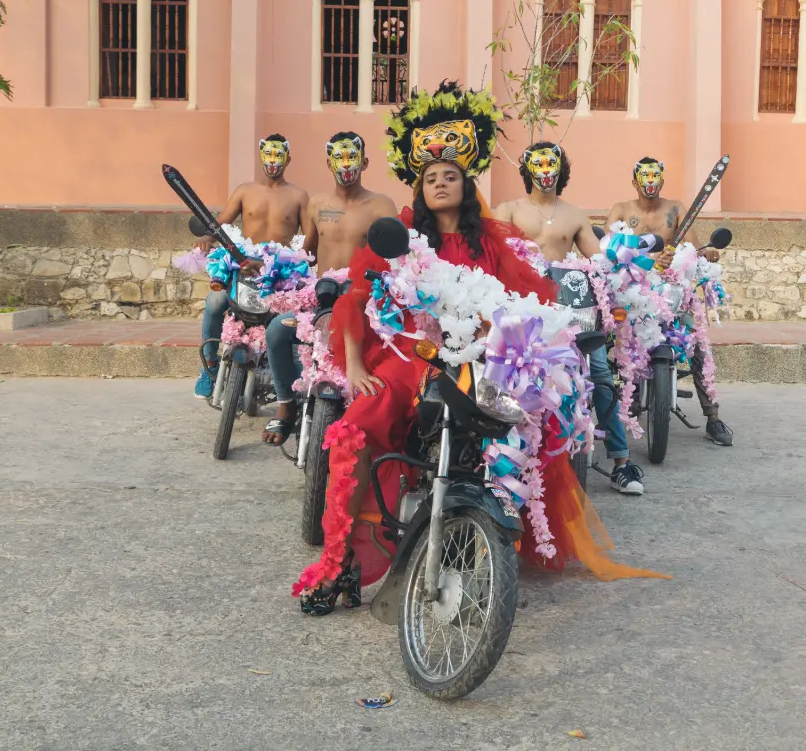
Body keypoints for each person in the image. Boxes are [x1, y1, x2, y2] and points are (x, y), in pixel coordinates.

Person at [294, 82, 667, 616]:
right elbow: (358, 297)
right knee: (353, 432)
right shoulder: (397, 234)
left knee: (517, 425)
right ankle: (341, 566)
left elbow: (527, 300)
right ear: (418, 189)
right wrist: (355, 366)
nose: (440, 183)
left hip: (474, 365)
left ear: (467, 186)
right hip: (409, 360)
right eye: (430, 178)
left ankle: (482, 532)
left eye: (451, 176)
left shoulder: (493, 243)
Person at [496, 142, 646, 495]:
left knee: (600, 375)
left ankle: (622, 462)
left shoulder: (576, 215)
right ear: (528, 168)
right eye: (539, 162)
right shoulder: (509, 210)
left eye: (553, 163)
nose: (546, 169)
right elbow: (495, 255)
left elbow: (598, 260)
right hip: (523, 313)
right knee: (509, 384)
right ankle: (505, 462)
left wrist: (623, 262)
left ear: (561, 169)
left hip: (571, 311)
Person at [261, 132, 396, 446]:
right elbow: (307, 251)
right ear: (328, 162)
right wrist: (270, 267)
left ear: (364, 161)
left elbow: (394, 257)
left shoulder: (381, 205)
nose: (345, 164)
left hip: (363, 303)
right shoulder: (318, 204)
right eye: (339, 157)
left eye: (352, 157)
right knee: (278, 331)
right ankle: (286, 406)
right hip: (320, 299)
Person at [606, 157, 734, 447]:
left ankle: (712, 417)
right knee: (606, 345)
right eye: (644, 176)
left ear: (662, 180)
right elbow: (610, 249)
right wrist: (647, 259)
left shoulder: (675, 209)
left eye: (655, 177)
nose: (650, 182)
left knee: (698, 343)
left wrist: (707, 251)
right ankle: (605, 410)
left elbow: (691, 245)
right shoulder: (621, 210)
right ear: (635, 181)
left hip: (670, 292)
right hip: (632, 293)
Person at [194, 134, 310, 399]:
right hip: (242, 270)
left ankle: (295, 385)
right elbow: (221, 222)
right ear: (261, 157)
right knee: (214, 302)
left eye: (278, 155)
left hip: (279, 277)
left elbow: (310, 238)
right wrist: (206, 238)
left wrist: (303, 263)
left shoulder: (299, 196)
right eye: (268, 154)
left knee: (294, 320)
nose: (273, 161)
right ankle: (209, 367)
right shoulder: (245, 190)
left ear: (288, 158)